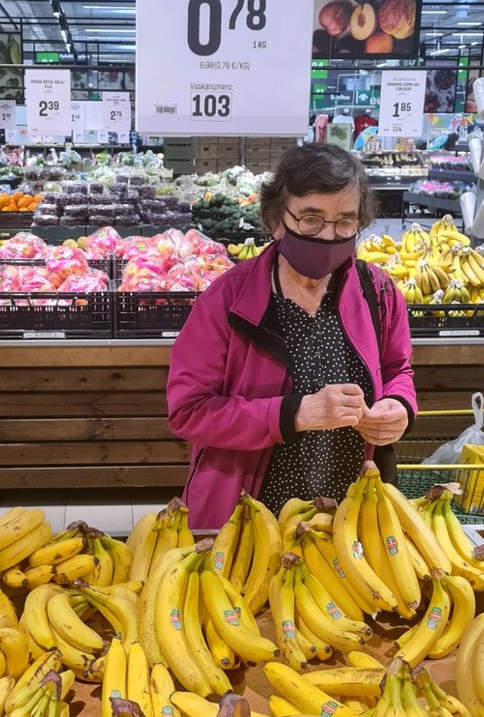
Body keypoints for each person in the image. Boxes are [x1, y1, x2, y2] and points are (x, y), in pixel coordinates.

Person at [167, 143, 416, 529]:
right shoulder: (227, 300)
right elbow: (189, 411)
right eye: (311, 219)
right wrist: (293, 414)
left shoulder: (378, 293)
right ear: (276, 220)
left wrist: (399, 405)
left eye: (345, 222)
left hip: (348, 514)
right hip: (247, 517)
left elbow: (398, 369)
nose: (328, 236)